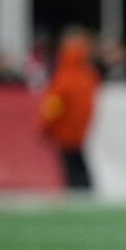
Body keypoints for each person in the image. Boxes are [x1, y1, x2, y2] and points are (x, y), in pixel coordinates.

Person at [38, 27, 100, 189]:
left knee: (72, 167)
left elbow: (54, 104)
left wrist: (45, 125)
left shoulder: (65, 75)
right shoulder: (88, 74)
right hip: (82, 130)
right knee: (78, 164)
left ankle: (80, 190)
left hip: (65, 131)